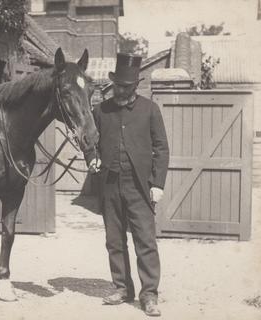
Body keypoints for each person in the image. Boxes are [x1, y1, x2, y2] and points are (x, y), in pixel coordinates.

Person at [85, 53, 169, 317]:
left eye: (125, 86)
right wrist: (92, 158)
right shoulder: (101, 110)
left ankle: (149, 295)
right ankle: (122, 288)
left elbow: (162, 149)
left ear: (135, 86)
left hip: (140, 187)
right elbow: (90, 142)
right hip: (109, 185)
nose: (120, 90)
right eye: (117, 86)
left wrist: (158, 183)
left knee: (145, 240)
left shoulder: (150, 109)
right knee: (114, 240)